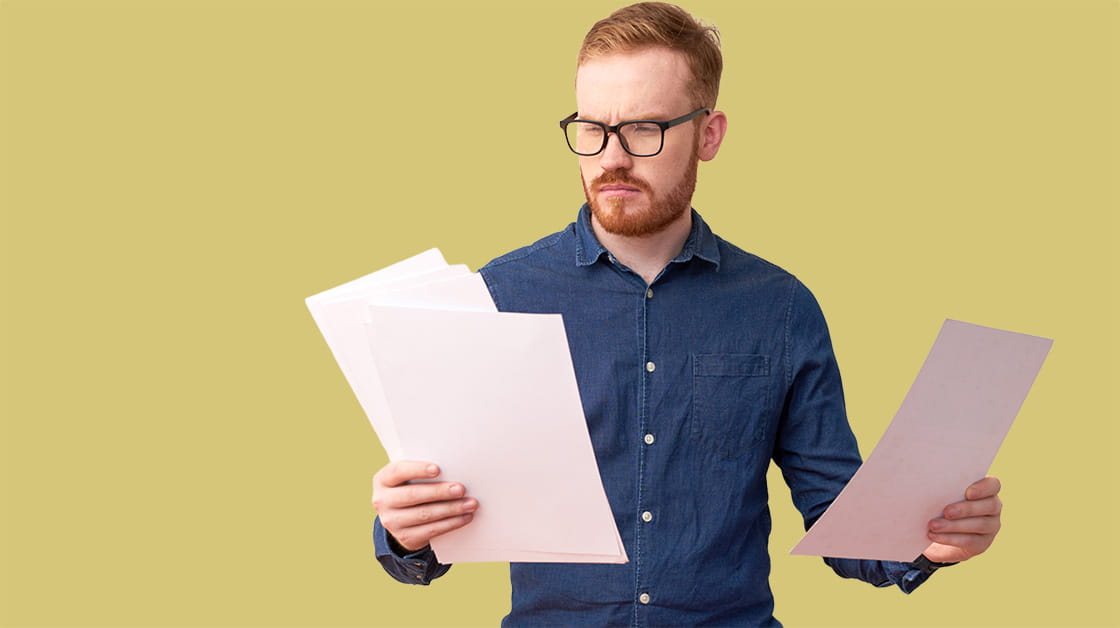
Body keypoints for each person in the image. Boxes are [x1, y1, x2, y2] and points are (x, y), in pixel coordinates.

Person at [370, 3, 1003, 626]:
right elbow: (428, 530)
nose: (611, 157)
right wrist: (405, 531)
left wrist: (924, 541)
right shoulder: (496, 296)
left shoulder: (780, 307)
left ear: (710, 134)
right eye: (592, 128)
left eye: (644, 129)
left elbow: (839, 517)